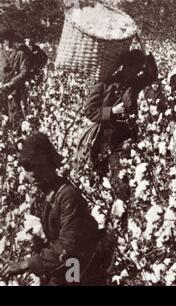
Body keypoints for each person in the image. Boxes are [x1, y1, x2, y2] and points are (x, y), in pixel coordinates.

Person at [0, 132, 111, 285]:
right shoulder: (38, 197)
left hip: (80, 267)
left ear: (51, 165)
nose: (33, 173)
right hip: (62, 266)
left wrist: (27, 264)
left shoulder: (67, 196)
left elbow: (68, 247)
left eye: (39, 166)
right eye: (27, 167)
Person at [82, 49, 156, 202]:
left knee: (128, 175)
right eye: (132, 68)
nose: (135, 72)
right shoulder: (105, 83)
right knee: (108, 179)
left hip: (127, 136)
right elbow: (89, 111)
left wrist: (150, 59)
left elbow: (151, 76)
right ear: (124, 66)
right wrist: (112, 111)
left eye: (137, 69)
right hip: (106, 138)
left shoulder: (134, 83)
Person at [0, 29, 30, 130]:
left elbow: (24, 72)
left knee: (14, 116)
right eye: (5, 40)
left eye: (9, 39)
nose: (7, 42)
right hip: (1, 88)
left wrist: (11, 83)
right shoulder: (0, 53)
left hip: (14, 90)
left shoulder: (20, 54)